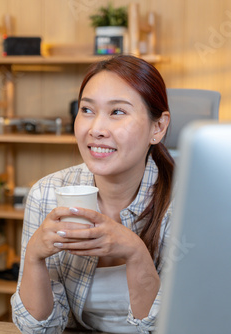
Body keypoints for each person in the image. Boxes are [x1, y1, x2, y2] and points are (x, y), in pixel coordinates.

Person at [11, 55, 174, 334]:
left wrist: (135, 252)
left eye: (118, 112)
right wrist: (33, 258)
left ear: (157, 127)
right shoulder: (47, 193)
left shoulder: (187, 204)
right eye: (87, 110)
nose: (96, 129)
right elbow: (39, 330)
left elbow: (176, 326)